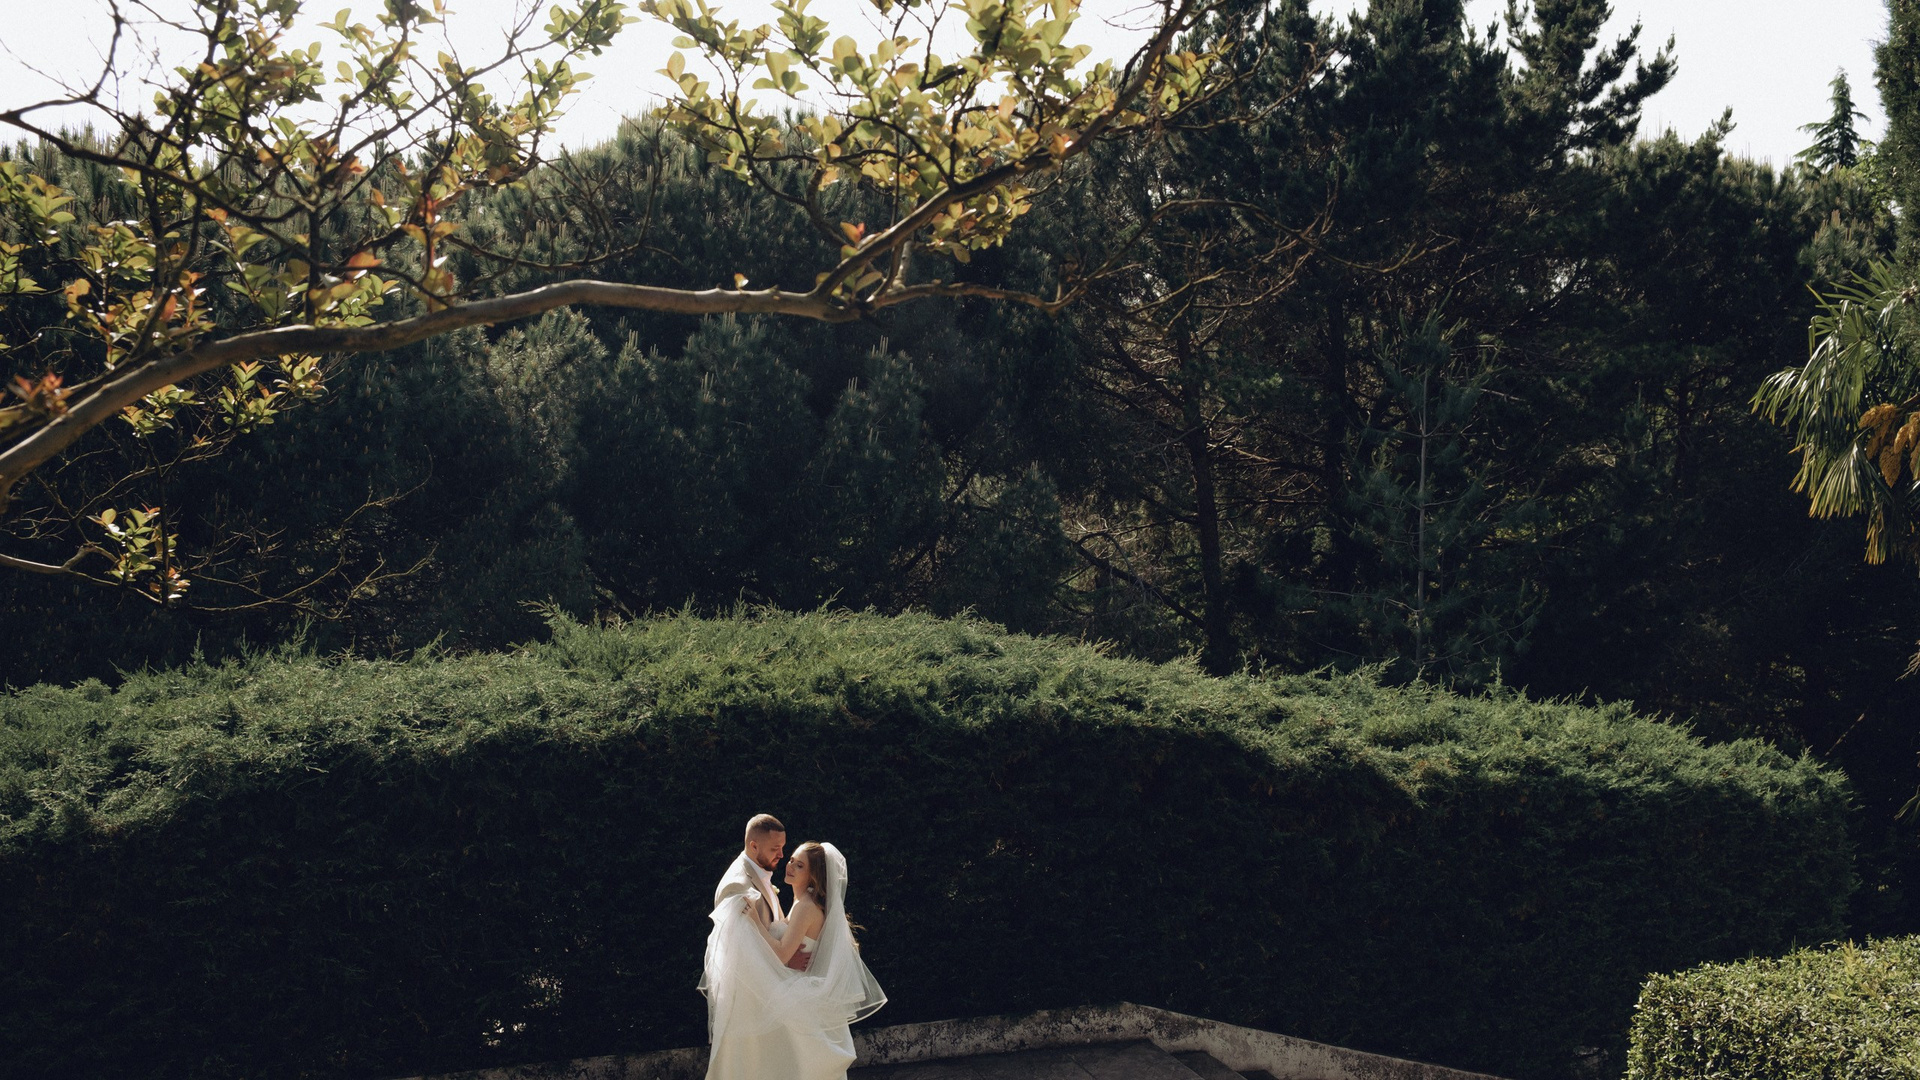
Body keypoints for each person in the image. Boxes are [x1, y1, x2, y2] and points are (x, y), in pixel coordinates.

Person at [701, 819, 886, 1080]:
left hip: (796, 989)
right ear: (753, 845)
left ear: (813, 875)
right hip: (790, 982)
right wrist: (787, 959)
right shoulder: (798, 901)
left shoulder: (805, 907)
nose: (787, 862)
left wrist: (756, 923)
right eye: (791, 860)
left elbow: (780, 953)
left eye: (799, 865)